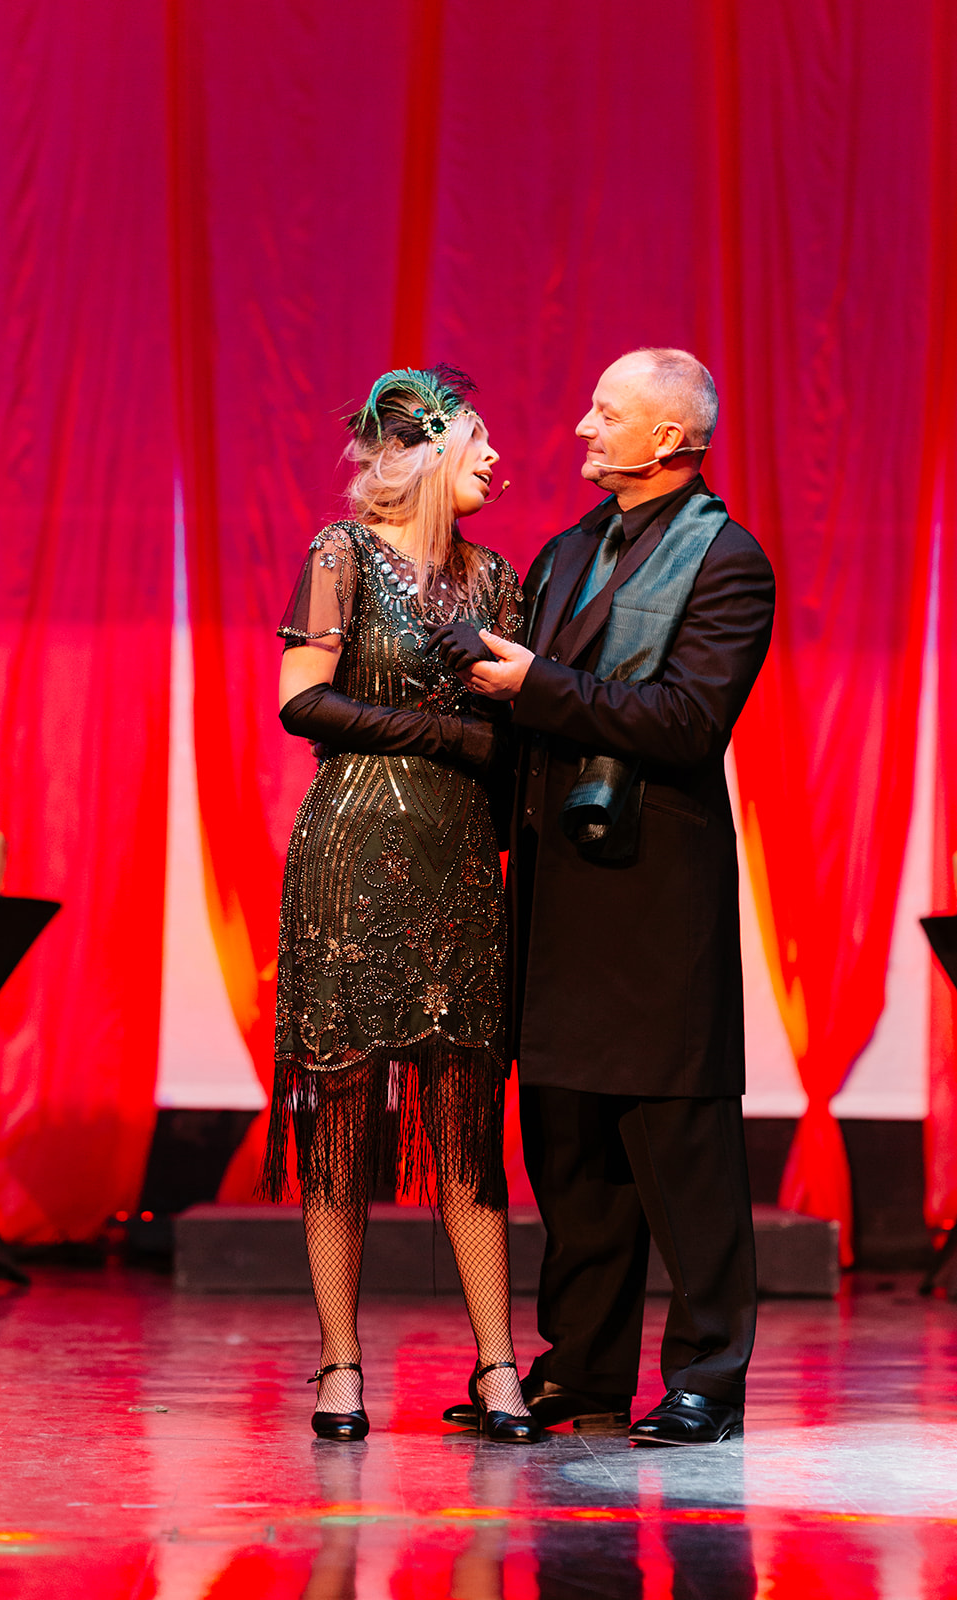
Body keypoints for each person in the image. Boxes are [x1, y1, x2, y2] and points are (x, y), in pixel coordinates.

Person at [434, 348, 775, 1445]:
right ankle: (580, 1372)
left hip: (652, 893)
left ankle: (709, 1376)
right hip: (558, 890)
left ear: (668, 438)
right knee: (571, 1149)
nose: (581, 428)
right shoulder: (569, 548)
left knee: (680, 1151)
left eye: (604, 412)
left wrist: (535, 684)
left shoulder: (727, 560)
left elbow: (686, 721)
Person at [262, 365, 543, 1444]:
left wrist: (495, 730)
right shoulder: (340, 553)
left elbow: (516, 732)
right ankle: (339, 1363)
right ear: (424, 452)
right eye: (478, 440)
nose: (495, 460)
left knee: (467, 1122)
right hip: (350, 851)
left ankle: (498, 1365)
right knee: (340, 1120)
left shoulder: (497, 577)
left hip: (458, 861)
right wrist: (444, 732)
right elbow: (301, 701)